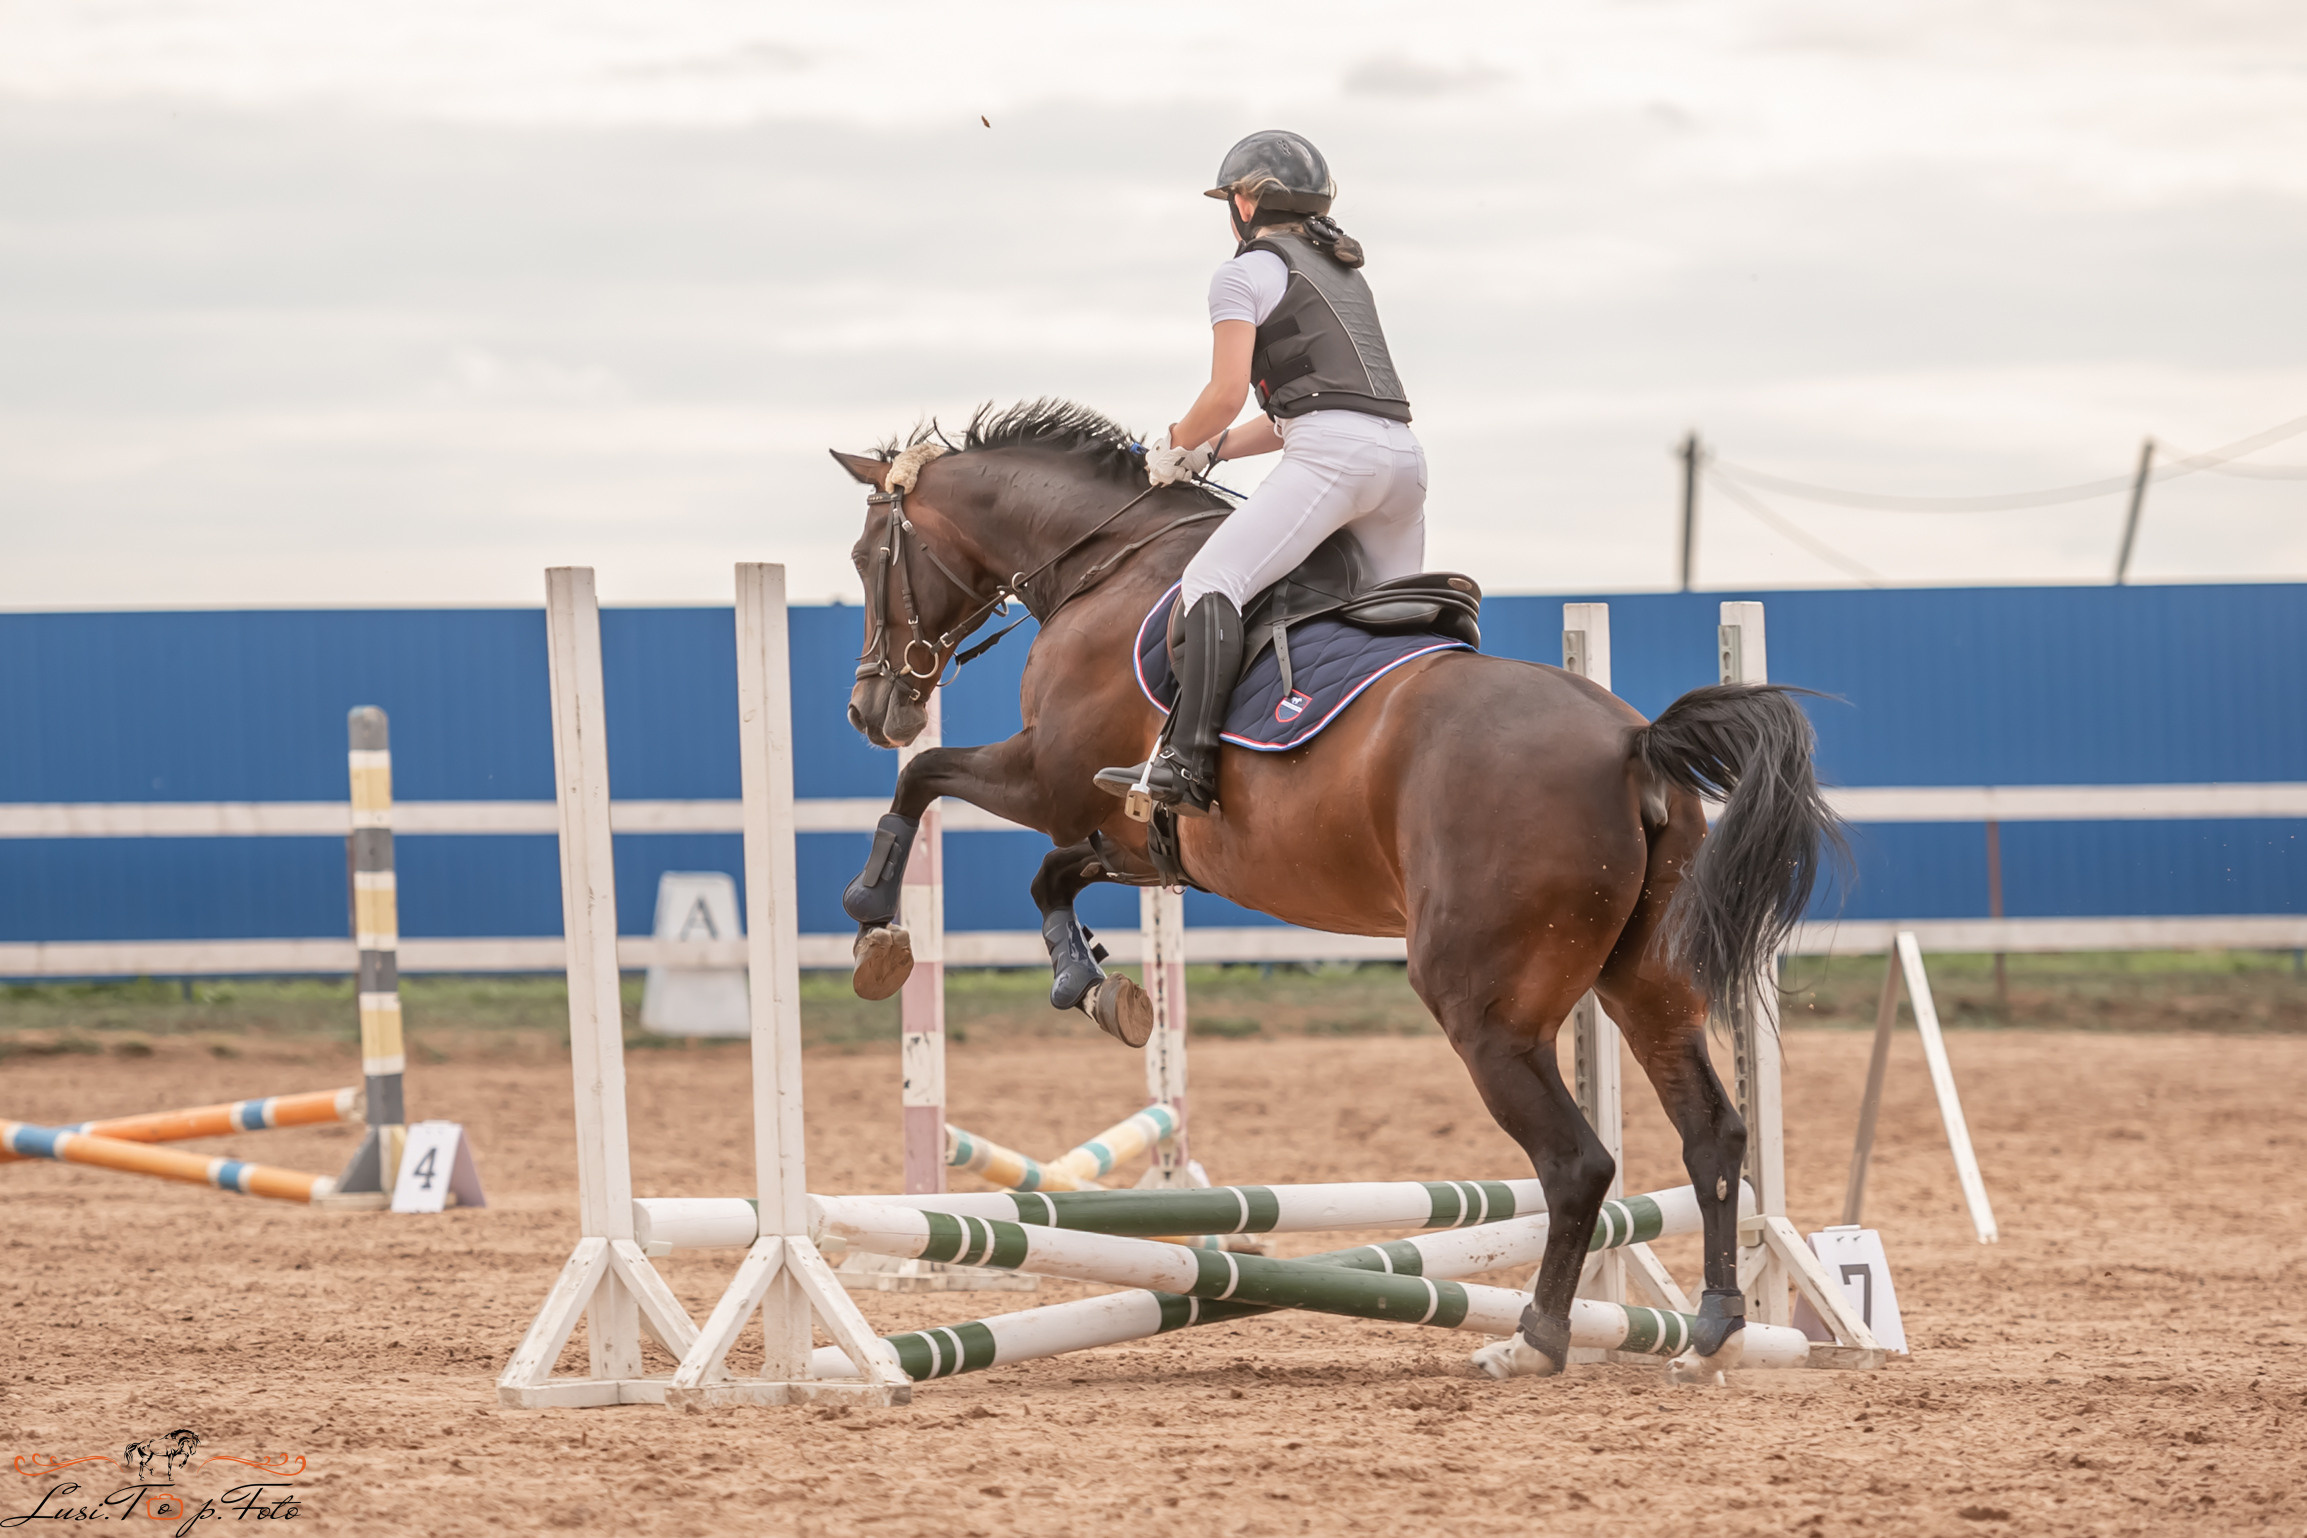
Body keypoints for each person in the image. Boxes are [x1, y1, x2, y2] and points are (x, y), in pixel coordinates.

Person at [1095, 129, 1427, 818]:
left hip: (1334, 457)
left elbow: (1225, 396)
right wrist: (1209, 453)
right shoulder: (1343, 274)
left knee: (1210, 582)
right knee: (1391, 630)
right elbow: (1303, 412)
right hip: (1402, 463)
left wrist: (1174, 444)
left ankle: (1185, 764)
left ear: (1245, 203)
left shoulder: (1242, 273)